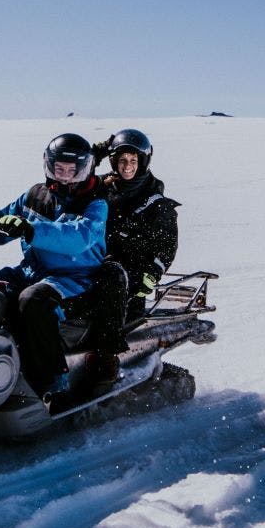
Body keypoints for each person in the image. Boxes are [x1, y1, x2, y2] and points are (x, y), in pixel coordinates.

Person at [0, 133, 107, 412]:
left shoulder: (94, 203)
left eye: (72, 170)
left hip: (75, 279)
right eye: (59, 169)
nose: (65, 177)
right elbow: (3, 221)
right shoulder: (35, 195)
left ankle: (54, 386)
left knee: (33, 301)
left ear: (85, 168)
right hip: (31, 271)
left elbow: (78, 238)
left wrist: (28, 228)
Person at [83, 129, 180, 367]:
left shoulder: (156, 203)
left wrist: (152, 273)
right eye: (122, 160)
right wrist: (95, 153)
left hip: (128, 277)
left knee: (109, 298)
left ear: (142, 162)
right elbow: (72, 179)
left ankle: (108, 361)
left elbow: (166, 245)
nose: (127, 166)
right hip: (91, 264)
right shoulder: (103, 187)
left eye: (133, 160)